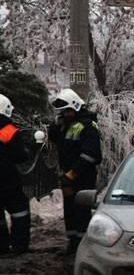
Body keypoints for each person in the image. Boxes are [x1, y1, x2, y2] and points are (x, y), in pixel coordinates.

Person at [48, 89, 102, 255]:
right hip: (68, 177)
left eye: (66, 111)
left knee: (81, 211)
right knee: (70, 209)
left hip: (82, 177)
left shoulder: (88, 126)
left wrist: (72, 174)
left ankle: (83, 246)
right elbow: (54, 138)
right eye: (62, 112)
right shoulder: (67, 125)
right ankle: (73, 243)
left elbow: (91, 155)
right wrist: (56, 124)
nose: (64, 115)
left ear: (76, 108)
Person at [0, 94, 31, 255]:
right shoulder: (8, 130)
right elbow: (20, 156)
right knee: (20, 210)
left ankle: (2, 247)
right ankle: (19, 245)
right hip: (7, 179)